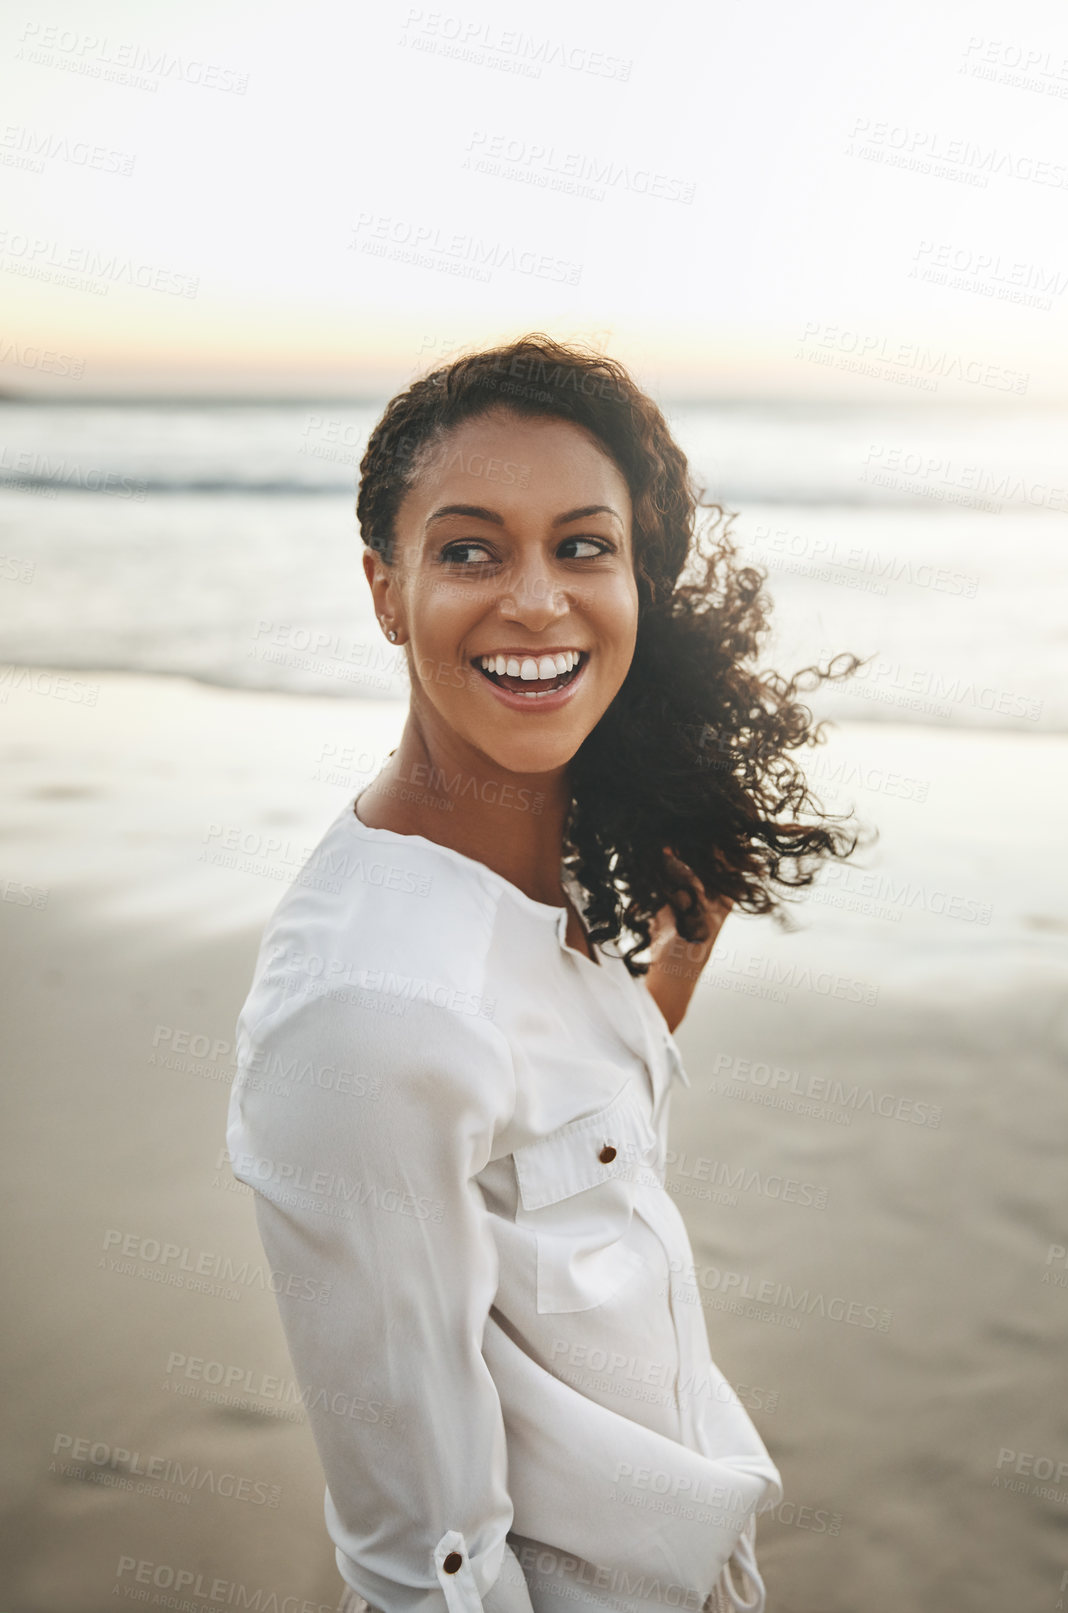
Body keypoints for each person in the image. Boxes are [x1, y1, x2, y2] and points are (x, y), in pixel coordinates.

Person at [227, 335, 860, 1613]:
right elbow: (427, 1567)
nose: (535, 598)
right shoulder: (375, 1009)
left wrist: (678, 950)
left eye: (583, 545)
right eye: (469, 548)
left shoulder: (523, 884)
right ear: (383, 588)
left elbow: (555, 1137)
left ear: (639, 581)